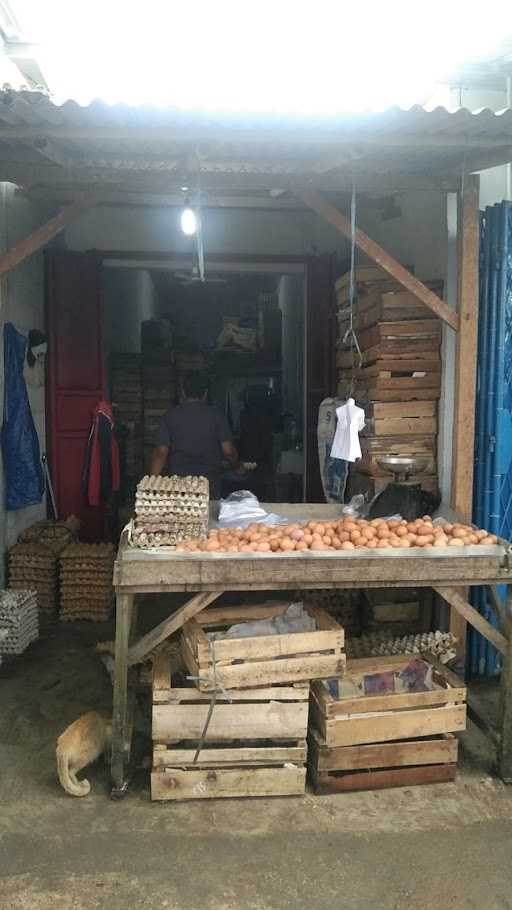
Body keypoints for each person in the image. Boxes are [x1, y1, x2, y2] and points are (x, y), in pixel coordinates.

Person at [150, 374, 242, 498]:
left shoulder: (170, 415)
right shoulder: (217, 416)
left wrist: (151, 483)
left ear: (183, 392)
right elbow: (228, 451)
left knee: (180, 515)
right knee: (207, 514)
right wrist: (237, 467)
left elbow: (161, 453)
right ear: (205, 393)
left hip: (179, 483)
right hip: (209, 482)